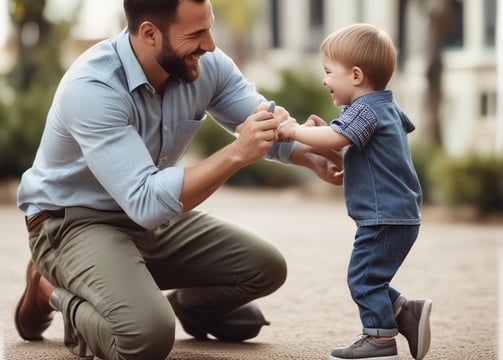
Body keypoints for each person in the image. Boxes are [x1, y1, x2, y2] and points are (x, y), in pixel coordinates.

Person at [14, 1, 344, 359]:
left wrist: (310, 154)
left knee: (265, 268)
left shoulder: (203, 64)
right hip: (72, 224)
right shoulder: (93, 88)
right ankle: (49, 288)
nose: (211, 45)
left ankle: (180, 307)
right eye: (196, 34)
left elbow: (260, 122)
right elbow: (145, 200)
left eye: (209, 28)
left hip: (150, 221)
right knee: (146, 338)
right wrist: (236, 153)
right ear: (150, 34)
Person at [277, 23, 432, 360]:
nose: (323, 79)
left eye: (329, 71)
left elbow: (336, 138)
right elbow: (370, 149)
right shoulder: (384, 108)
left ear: (357, 75)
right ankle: (405, 312)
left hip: (384, 216)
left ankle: (379, 341)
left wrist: (295, 131)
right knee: (369, 277)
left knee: (362, 279)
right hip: (396, 214)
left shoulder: (364, 110)